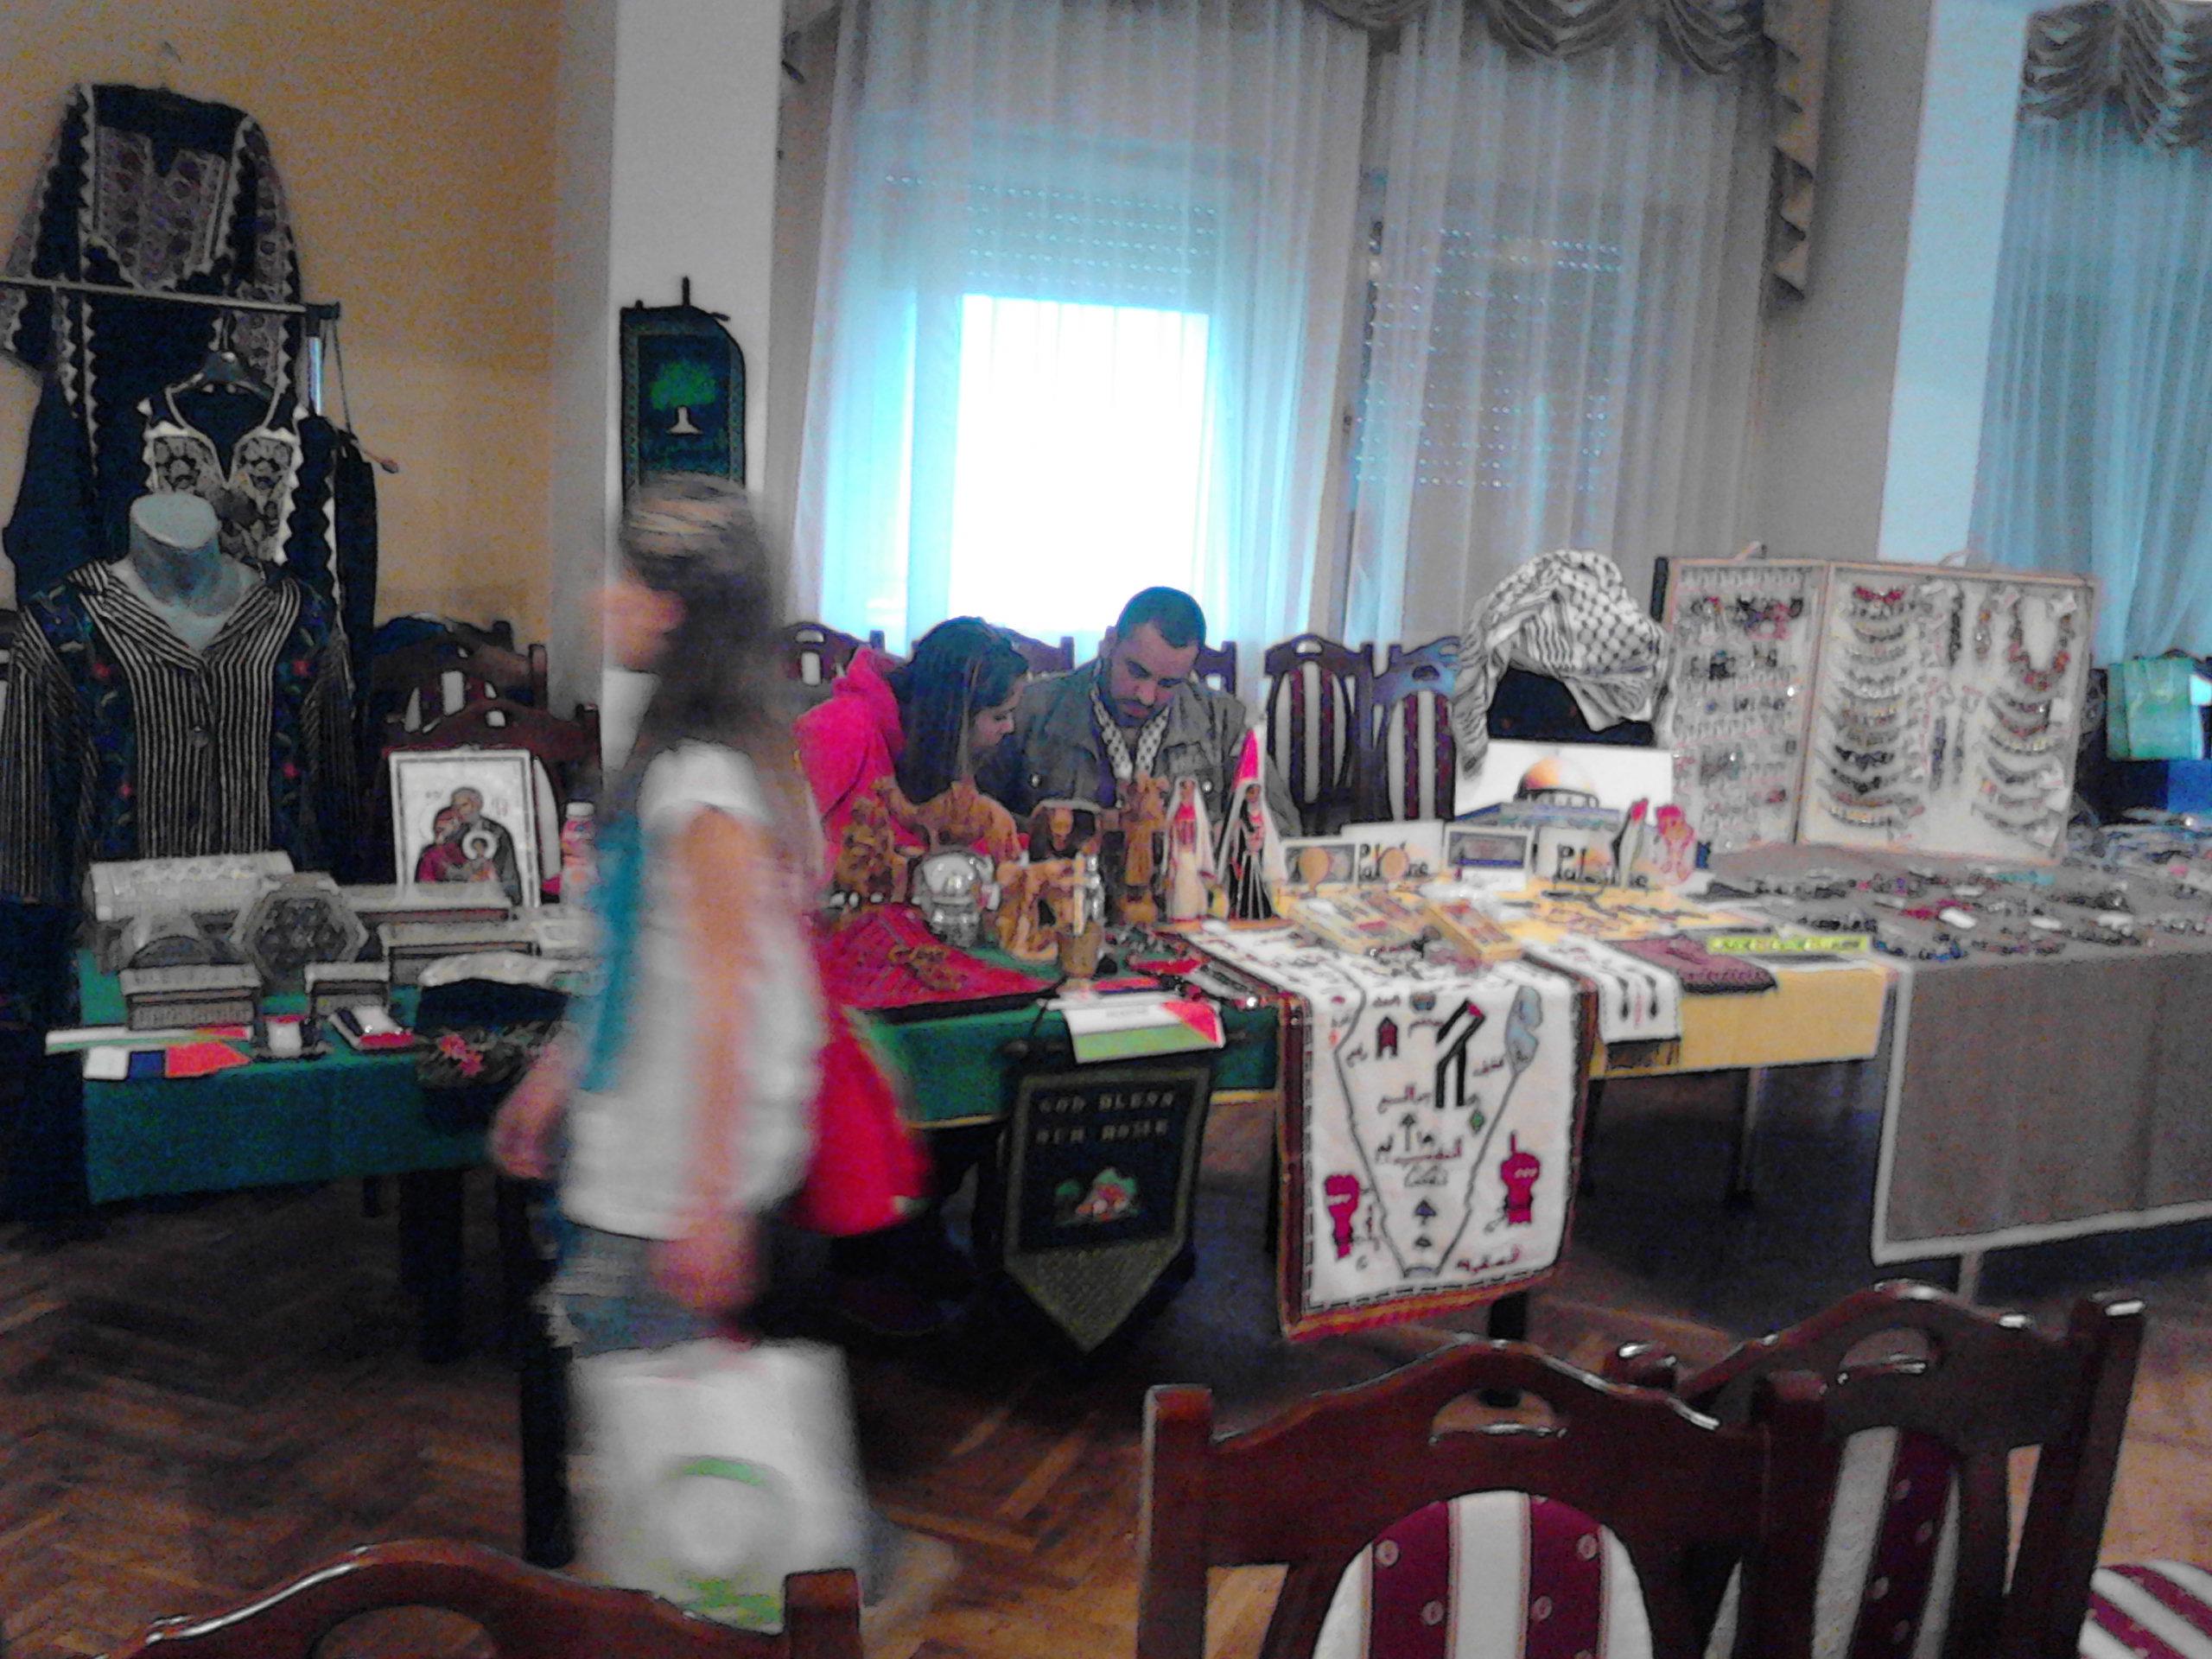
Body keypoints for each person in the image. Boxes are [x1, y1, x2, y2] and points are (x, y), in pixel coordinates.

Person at [487, 474, 847, 1588]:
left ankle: (818, 1585)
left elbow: (728, 1005)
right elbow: (639, 959)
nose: (601, 598)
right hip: (642, 1152)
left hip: (667, 1175)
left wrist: (709, 1205)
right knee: (669, 1456)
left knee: (676, 1470)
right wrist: (553, 1080)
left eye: (625, 579)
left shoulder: (706, 781)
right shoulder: (699, 756)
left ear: (680, 609)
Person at [978, 586, 1294, 829]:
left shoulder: (1225, 722)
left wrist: (1220, 837)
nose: (1146, 696)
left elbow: (1283, 827)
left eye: (1168, 683)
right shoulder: (1029, 711)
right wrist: (1052, 831)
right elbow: (972, 816)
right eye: (1137, 672)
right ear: (1109, 643)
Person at [794, 617, 1028, 868]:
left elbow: (950, 851)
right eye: (999, 717)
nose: (1010, 728)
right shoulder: (842, 727)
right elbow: (782, 844)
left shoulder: (939, 747)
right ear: (953, 715)